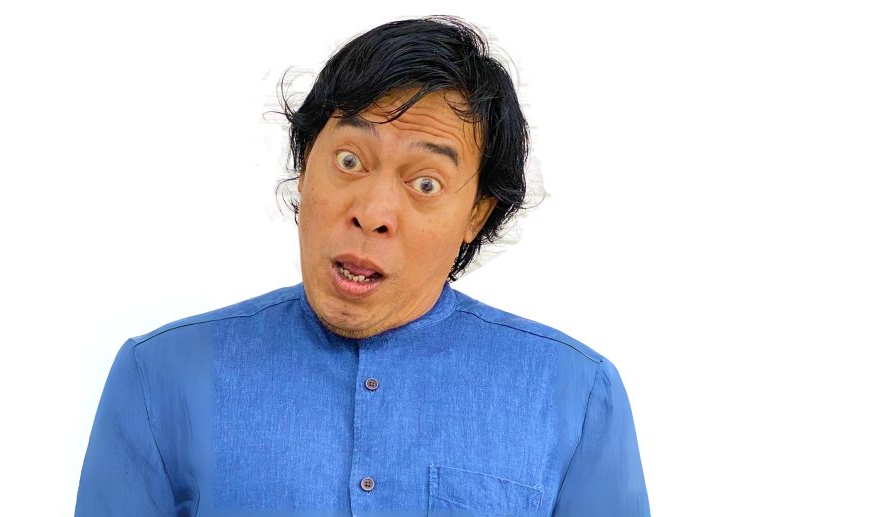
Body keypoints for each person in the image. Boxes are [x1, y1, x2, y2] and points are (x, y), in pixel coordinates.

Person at [75, 15, 650, 517]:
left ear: (476, 213)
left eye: (426, 183)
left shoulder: (576, 396)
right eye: (349, 160)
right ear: (305, 166)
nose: (372, 213)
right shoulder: (160, 378)